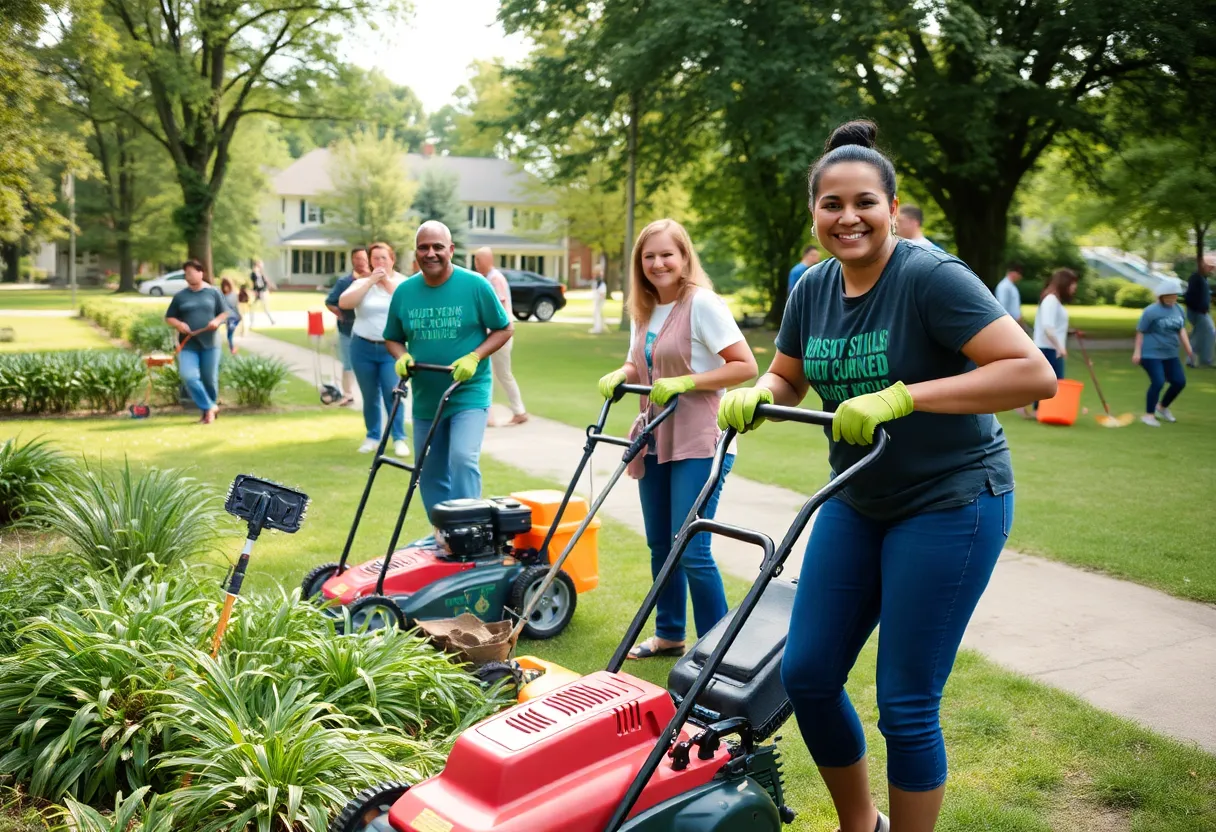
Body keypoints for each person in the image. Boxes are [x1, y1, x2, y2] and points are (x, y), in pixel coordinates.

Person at [717, 120, 1056, 832]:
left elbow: (1033, 374)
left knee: (905, 700)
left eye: (864, 202)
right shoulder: (811, 288)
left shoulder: (930, 277)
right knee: (807, 674)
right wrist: (760, 396)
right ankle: (858, 824)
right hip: (859, 498)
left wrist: (904, 395)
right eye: (831, 204)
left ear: (892, 208)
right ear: (814, 212)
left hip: (953, 499)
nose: (848, 218)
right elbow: (787, 375)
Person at [597, 218, 758, 660]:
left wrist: (687, 382)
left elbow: (745, 366)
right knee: (660, 545)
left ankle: (719, 650)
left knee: (691, 547)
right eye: (649, 256)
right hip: (655, 439)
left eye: (667, 254)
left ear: (684, 257)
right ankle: (670, 633)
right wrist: (622, 374)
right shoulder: (645, 308)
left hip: (701, 443)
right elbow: (639, 362)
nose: (658, 263)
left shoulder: (702, 304)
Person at [384, 221, 513, 520]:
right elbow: (392, 336)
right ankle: (443, 533)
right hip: (427, 397)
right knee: (428, 471)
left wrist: (474, 356)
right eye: (423, 247)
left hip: (467, 391)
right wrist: (401, 356)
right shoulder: (404, 292)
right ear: (415, 252)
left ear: (451, 250)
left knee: (462, 460)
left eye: (438, 246)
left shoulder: (475, 285)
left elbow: (505, 328)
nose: (431, 253)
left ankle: (470, 529)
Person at [339, 242, 409, 457]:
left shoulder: (403, 283)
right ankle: (372, 435)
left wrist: (385, 282)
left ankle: (398, 437)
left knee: (393, 392)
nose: (379, 262)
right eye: (375, 258)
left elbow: (407, 304)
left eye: (383, 258)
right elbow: (344, 303)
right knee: (369, 395)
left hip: (391, 349)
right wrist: (370, 282)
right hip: (362, 347)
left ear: (392, 260)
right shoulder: (362, 283)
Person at [164, 259, 232, 425]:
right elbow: (169, 317)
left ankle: (207, 414)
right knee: (189, 376)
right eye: (186, 273)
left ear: (201, 273)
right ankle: (210, 406)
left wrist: (216, 321)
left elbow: (225, 313)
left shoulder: (214, 292)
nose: (188, 276)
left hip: (211, 344)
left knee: (209, 380)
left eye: (191, 272)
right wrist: (179, 324)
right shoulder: (181, 296)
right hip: (188, 345)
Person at [473, 246, 529, 425]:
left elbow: (499, 304)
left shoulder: (495, 279)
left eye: (477, 260)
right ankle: (490, 414)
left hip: (500, 336)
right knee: (495, 373)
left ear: (486, 261)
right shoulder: (489, 278)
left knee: (501, 374)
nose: (476, 264)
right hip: (494, 335)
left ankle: (517, 412)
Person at [1134, 277, 1195, 427]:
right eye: (1169, 296)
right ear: (1161, 296)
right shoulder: (1151, 311)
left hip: (1170, 353)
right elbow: (1140, 331)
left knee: (1179, 382)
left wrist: (1189, 349)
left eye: (1175, 296)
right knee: (1158, 381)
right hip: (1150, 353)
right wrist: (1137, 352)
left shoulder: (1179, 309)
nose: (1172, 299)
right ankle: (1149, 415)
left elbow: (1181, 330)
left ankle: (1161, 407)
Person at [1018, 267, 1077, 418]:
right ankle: (1034, 409)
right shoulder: (1051, 300)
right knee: (1049, 382)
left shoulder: (1054, 301)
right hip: (1047, 348)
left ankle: (1037, 409)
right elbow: (1048, 327)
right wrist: (1060, 348)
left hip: (1051, 347)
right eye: (1072, 284)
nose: (1074, 287)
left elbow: (1054, 326)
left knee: (1049, 382)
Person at [325, 247, 369, 407]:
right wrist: (340, 314)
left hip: (369, 330)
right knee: (348, 362)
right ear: (352, 260)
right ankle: (348, 394)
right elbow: (330, 302)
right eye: (358, 258)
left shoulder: (373, 281)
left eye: (364, 258)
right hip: (347, 329)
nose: (362, 262)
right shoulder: (344, 282)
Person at [1183, 257, 1214, 368]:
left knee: (1205, 334)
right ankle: (1198, 360)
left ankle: (1203, 360)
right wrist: (1199, 309)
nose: (1211, 269)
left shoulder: (1202, 278)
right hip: (1198, 312)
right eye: (1210, 266)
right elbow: (1190, 297)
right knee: (1202, 335)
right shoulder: (1196, 278)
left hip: (1202, 312)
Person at [994, 261, 1026, 331]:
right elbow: (1002, 307)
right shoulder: (1004, 287)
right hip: (1009, 325)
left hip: (1015, 323)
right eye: (1019, 274)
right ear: (1013, 273)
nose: (1020, 277)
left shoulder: (1011, 286)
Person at [249, 259, 276, 327]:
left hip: (262, 292)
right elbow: (254, 284)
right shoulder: (254, 274)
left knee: (265, 308)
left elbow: (265, 283)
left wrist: (270, 287)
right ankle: (252, 322)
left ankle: (272, 320)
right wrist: (254, 291)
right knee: (252, 308)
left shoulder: (261, 274)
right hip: (258, 292)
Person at [219, 277, 241, 355]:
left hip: (234, 317)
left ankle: (232, 349)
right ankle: (232, 348)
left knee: (230, 334)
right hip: (227, 318)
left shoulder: (233, 295)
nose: (225, 288)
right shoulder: (221, 295)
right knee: (229, 334)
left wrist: (239, 315)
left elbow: (236, 306)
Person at [589, 266, 609, 334]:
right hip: (597, 299)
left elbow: (601, 292)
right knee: (598, 313)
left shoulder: (600, 282)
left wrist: (600, 298)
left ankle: (597, 329)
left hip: (599, 300)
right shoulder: (598, 281)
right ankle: (601, 327)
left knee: (596, 313)